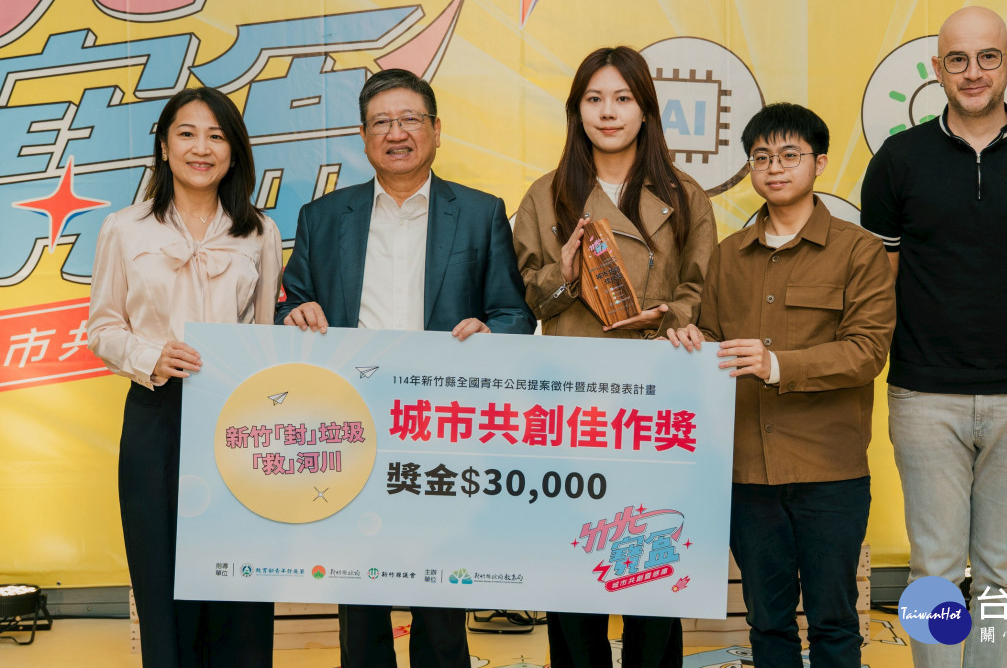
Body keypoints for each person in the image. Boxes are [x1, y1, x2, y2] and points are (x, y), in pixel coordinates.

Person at [275, 68, 535, 668]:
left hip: (440, 426)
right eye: (382, 122)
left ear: (436, 130)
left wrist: (490, 333)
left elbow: (514, 314)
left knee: (440, 593)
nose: (397, 133)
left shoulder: (480, 213)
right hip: (349, 425)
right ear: (364, 136)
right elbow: (288, 305)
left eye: (410, 119)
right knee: (358, 593)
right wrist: (295, 313)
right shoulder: (322, 217)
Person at [860, 6, 1007, 667]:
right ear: (937, 69)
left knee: (1002, 571)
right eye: (958, 59)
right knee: (933, 569)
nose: (973, 72)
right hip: (923, 395)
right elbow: (881, 281)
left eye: (988, 57)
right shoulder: (899, 160)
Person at [667, 103, 894, 667]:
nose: (774, 167)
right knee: (767, 624)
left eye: (790, 155)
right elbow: (714, 338)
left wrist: (776, 365)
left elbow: (867, 351)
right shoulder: (728, 256)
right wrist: (692, 340)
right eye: (761, 157)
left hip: (829, 472)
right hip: (747, 473)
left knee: (834, 622)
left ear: (819, 163)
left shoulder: (859, 250)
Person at [512, 46, 717, 668]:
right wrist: (567, 272)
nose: (608, 112)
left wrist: (672, 317)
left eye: (623, 99)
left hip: (656, 402)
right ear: (577, 111)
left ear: (645, 109)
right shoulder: (545, 196)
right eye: (594, 99)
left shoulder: (685, 195)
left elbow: (701, 289)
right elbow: (532, 300)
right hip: (573, 403)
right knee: (574, 570)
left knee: (652, 563)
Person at [88, 87, 280, 668]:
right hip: (158, 414)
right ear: (164, 146)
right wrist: (151, 356)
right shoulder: (125, 228)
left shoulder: (260, 232)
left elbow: (265, 333)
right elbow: (102, 328)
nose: (202, 148)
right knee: (161, 573)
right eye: (187, 134)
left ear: (234, 150)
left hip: (238, 421)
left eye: (217, 136)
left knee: (239, 573)